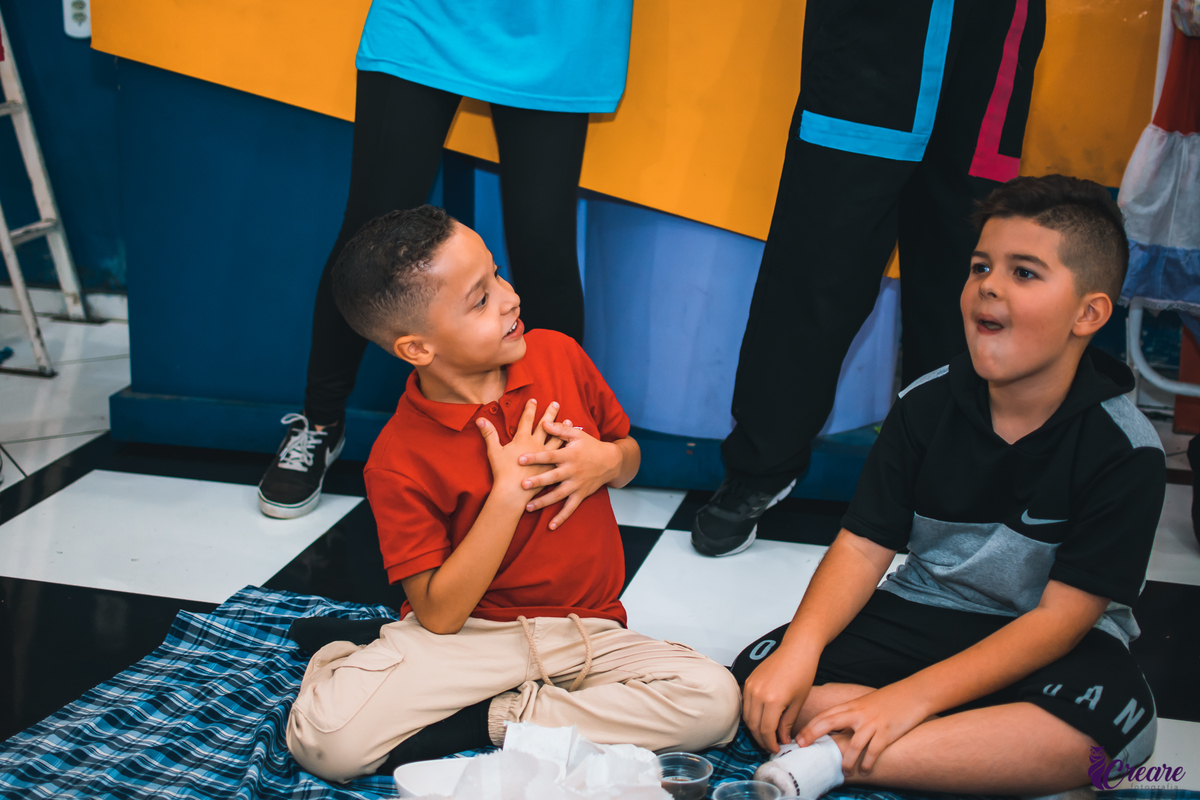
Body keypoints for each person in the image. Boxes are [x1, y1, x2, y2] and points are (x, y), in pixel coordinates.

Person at [733, 176, 1165, 797]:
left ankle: (841, 753)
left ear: (1089, 313)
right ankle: (948, 742)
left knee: (1116, 733)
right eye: (981, 266)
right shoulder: (922, 404)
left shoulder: (1128, 450)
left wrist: (907, 700)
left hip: (1047, 637)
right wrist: (799, 653)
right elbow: (861, 546)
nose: (989, 284)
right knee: (760, 670)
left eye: (1024, 273)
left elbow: (1060, 622)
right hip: (925, 611)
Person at [284, 206, 741, 783]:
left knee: (716, 701)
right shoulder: (397, 458)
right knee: (324, 743)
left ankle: (486, 720)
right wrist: (507, 495)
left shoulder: (559, 356)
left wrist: (606, 461)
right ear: (418, 349)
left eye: (497, 274)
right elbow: (443, 616)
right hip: (475, 636)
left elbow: (628, 453)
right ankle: (361, 656)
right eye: (479, 299)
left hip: (587, 629)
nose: (509, 297)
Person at [692, 0, 1047, 556]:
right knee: (817, 262)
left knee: (969, 275)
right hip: (871, 38)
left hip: (989, 34)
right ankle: (762, 464)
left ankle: (948, 476)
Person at [257, 0, 634, 519]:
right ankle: (320, 422)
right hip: (428, 14)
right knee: (369, 235)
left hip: (557, 24)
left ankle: (558, 439)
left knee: (542, 243)